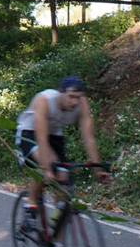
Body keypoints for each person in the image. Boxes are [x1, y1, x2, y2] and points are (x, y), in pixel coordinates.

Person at [15, 75, 111, 231]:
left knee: (64, 179)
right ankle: (30, 204)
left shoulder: (82, 104)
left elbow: (89, 138)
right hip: (30, 132)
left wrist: (97, 170)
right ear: (61, 92)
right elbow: (41, 136)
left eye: (78, 98)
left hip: (55, 135)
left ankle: (58, 241)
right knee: (47, 165)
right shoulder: (44, 99)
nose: (75, 102)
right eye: (71, 97)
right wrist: (47, 167)